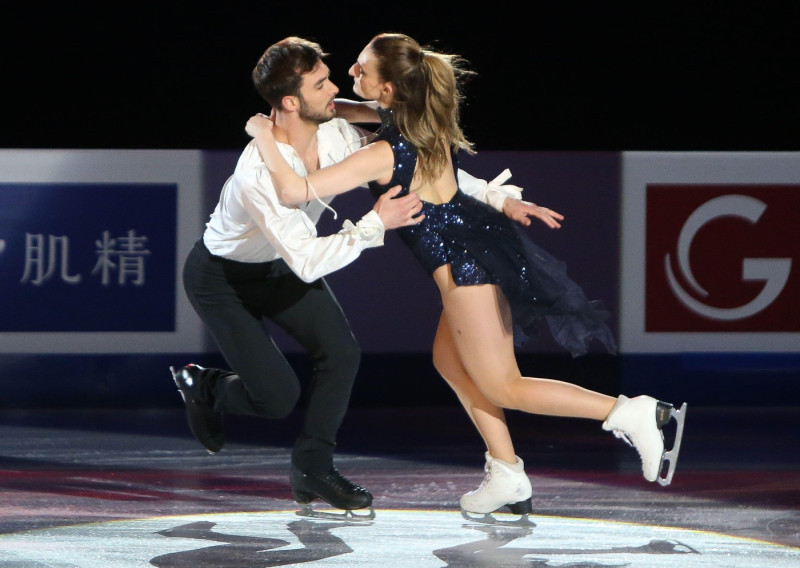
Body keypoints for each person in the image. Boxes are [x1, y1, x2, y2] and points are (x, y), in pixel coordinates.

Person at [245, 32, 687, 522]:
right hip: (477, 251)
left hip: (464, 268)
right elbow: (348, 110)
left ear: (389, 90)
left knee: (504, 387)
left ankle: (631, 413)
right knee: (450, 362)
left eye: (361, 69)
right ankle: (506, 474)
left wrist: (262, 133)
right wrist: (502, 198)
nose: (350, 74)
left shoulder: (383, 152)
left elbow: (294, 192)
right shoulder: (414, 118)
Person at [170, 36, 427, 518]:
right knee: (277, 398)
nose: (337, 88)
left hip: (277, 265)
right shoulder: (259, 173)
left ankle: (312, 467)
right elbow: (308, 261)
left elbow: (398, 141)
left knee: (342, 353)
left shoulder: (335, 134)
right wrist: (376, 224)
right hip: (221, 278)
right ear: (290, 101)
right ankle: (206, 387)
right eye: (322, 84)